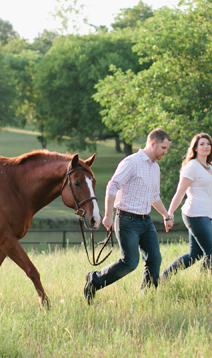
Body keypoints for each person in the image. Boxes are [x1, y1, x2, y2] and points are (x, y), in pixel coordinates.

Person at [84, 129, 175, 303]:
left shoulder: (155, 168)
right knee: (130, 262)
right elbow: (112, 186)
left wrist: (166, 215)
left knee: (154, 259)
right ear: (153, 143)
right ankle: (95, 280)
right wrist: (108, 216)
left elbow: (154, 196)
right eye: (164, 147)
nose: (165, 152)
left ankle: (147, 298)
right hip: (127, 220)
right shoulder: (132, 162)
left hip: (146, 221)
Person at [161, 133, 212, 279]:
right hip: (195, 213)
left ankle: (163, 278)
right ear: (195, 148)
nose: (206, 146)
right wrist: (169, 214)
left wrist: (211, 215)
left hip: (205, 214)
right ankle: (204, 285)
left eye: (208, 144)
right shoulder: (191, 167)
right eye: (202, 144)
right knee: (211, 252)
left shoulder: (209, 167)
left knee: (195, 255)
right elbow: (180, 192)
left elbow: (208, 194)